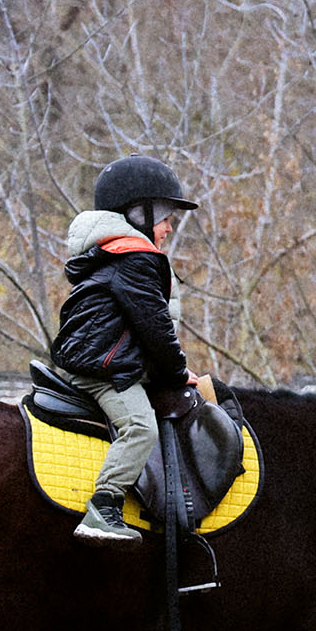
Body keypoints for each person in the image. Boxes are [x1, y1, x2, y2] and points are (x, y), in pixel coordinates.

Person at [46, 155, 201, 542]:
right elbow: (156, 329)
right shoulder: (135, 258)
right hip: (105, 370)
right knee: (139, 427)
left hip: (103, 361)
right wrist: (179, 374)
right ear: (137, 213)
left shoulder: (116, 253)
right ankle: (104, 508)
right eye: (164, 217)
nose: (167, 228)